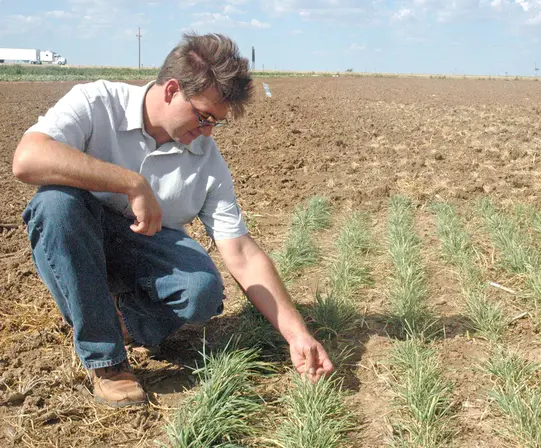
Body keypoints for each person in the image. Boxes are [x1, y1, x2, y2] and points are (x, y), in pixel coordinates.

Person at [12, 32, 333, 408]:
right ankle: (108, 363)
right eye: (204, 116)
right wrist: (131, 183)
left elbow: (242, 252)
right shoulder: (97, 102)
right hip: (77, 234)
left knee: (202, 291)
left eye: (218, 122)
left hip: (143, 250)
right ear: (171, 90)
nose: (209, 131)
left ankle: (119, 319)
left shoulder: (207, 161)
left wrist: (298, 336)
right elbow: (27, 159)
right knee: (55, 204)